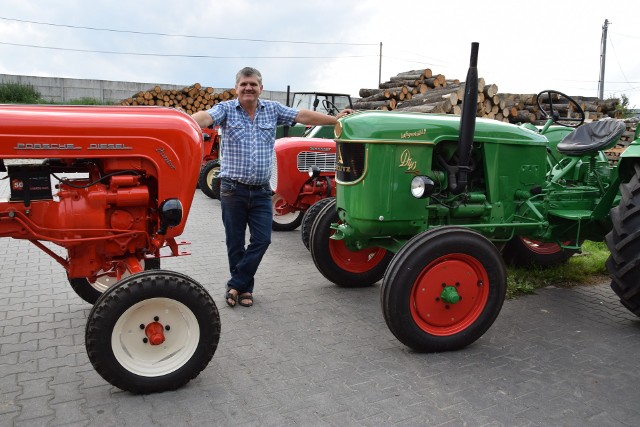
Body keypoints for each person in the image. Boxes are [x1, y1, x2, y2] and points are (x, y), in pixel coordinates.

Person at [192, 67, 353, 308]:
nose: (248, 88)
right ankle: (245, 290)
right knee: (235, 242)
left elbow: (302, 116)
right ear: (236, 88)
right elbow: (206, 118)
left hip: (260, 191)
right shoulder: (226, 109)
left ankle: (235, 284)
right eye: (244, 84)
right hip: (232, 190)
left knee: (262, 239)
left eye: (253, 84)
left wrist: (335, 120)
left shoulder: (272, 110)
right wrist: (184, 121)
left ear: (260, 88)